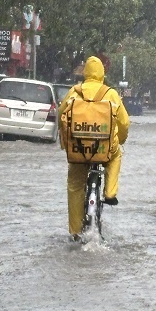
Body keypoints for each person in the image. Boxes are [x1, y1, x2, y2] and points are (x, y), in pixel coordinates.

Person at [59, 56, 130, 240]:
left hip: (78, 151)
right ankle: (110, 192)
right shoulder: (111, 94)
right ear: (102, 73)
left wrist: (64, 144)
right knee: (116, 156)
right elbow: (124, 122)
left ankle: (75, 231)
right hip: (103, 150)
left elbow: (60, 117)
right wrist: (120, 140)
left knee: (75, 186)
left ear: (85, 73)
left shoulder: (73, 92)